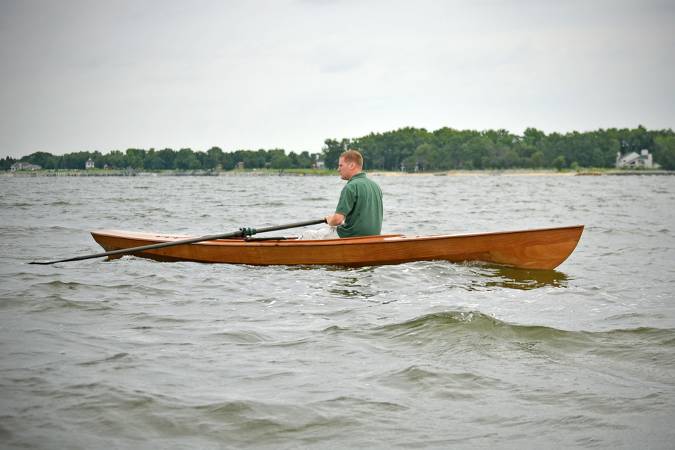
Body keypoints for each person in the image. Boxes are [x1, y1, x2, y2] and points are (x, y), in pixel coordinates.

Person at [301, 150, 383, 240]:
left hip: (351, 236)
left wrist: (330, 220)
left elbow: (337, 220)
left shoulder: (351, 186)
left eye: (341, 165)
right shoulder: (376, 186)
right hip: (373, 237)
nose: (338, 169)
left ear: (352, 165)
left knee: (307, 235)